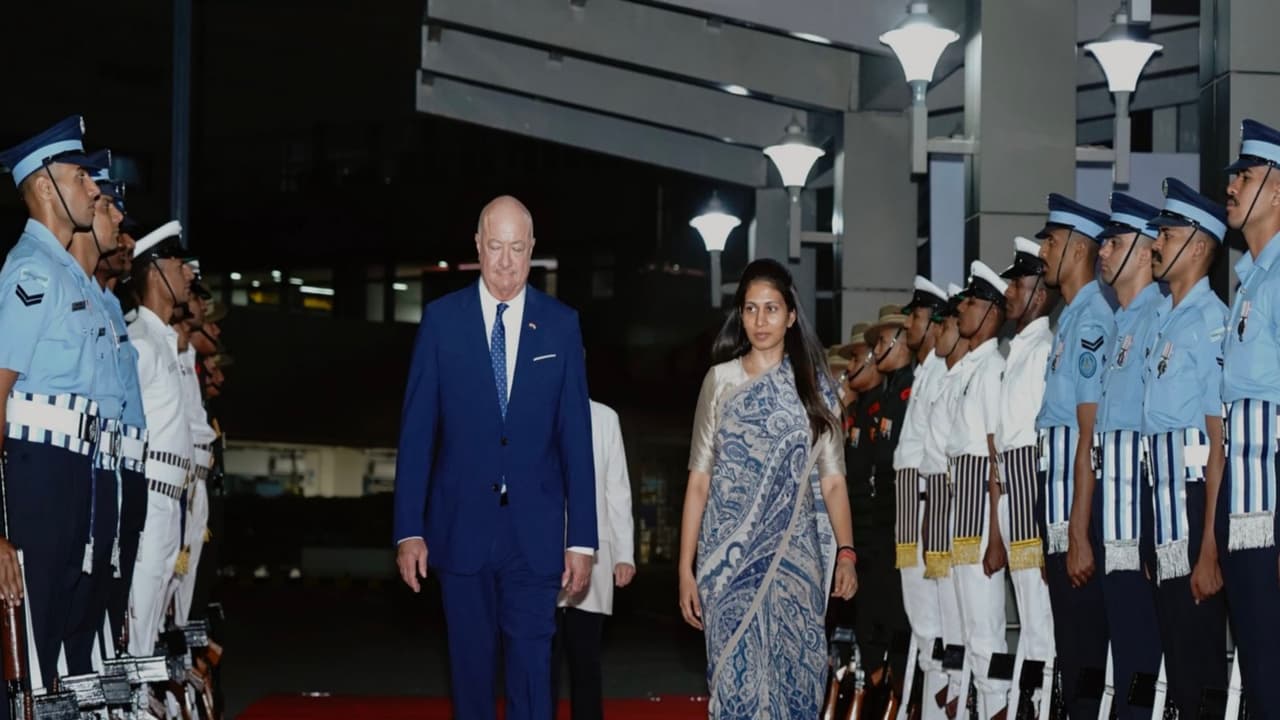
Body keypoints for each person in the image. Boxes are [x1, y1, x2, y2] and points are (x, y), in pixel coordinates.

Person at [393, 196, 596, 720]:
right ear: (478, 247)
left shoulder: (561, 325)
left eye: (517, 249)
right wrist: (408, 529)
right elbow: (417, 433)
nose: (506, 262)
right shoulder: (441, 322)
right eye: (496, 247)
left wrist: (582, 539)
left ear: (533, 251)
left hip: (536, 533)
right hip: (460, 527)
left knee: (533, 672)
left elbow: (576, 437)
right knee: (471, 673)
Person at [678, 258, 857, 719]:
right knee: (733, 685)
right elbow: (699, 479)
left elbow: (833, 481)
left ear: (791, 316)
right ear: (740, 315)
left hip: (798, 561)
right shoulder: (720, 381)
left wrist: (846, 552)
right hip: (725, 563)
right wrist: (685, 568)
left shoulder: (816, 389)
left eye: (771, 309)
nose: (760, 320)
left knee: (798, 681)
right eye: (751, 309)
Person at [0, 116, 111, 694]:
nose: (93, 188)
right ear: (44, 186)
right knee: (27, 650)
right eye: (80, 176)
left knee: (55, 646)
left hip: (72, 469)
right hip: (36, 469)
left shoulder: (67, 275)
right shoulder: (31, 272)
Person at [1142, 178, 1229, 714]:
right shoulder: (1166, 321)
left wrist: (1209, 548)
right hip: (1164, 511)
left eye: (1166, 235)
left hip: (1196, 507)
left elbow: (1219, 445)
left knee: (1199, 666)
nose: (1155, 244)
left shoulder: (1211, 322)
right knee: (1176, 664)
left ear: (1198, 247)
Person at [1033, 194, 1112, 716]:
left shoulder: (1092, 320)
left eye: (1052, 242)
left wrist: (1079, 534)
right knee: (1072, 651)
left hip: (1075, 513)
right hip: (1059, 510)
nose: (1043, 252)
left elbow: (1088, 434)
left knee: (1085, 657)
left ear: (1079, 250)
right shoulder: (1070, 318)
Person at [1091, 193, 1164, 717]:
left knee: (1143, 649)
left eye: (1114, 243)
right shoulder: (1120, 322)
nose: (1102, 251)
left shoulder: (1159, 318)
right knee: (1123, 647)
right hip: (1112, 507)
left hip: (1140, 506)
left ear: (1144, 251)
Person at [1219, 117, 1280, 714]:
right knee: (1258, 666)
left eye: (1246, 174)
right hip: (1241, 503)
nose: (1231, 185)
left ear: (1278, 190)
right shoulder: (1248, 284)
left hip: (1271, 502)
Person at [64, 151, 128, 674]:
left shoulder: (103, 302)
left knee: (97, 606)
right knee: (59, 616)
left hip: (107, 464)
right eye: (108, 205)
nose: (119, 220)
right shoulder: (42, 276)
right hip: (64, 461)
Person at [994, 237, 1058, 715]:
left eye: (1017, 283)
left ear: (1039, 291)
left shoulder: (1042, 351)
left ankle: (1044, 703)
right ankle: (1031, 702)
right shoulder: (1018, 349)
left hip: (1031, 489)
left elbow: (1040, 441)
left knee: (1040, 620)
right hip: (1011, 490)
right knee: (1030, 614)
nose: (1009, 292)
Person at [126, 220, 196, 657]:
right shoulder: (139, 341)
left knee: (157, 615)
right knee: (139, 613)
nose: (188, 273)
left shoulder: (164, 340)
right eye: (178, 263)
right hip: (150, 495)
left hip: (172, 499)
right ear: (154, 272)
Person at [946, 262, 1010, 719]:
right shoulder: (971, 368)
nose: (962, 310)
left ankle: (999, 707)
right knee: (969, 632)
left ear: (991, 311)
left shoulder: (992, 369)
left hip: (981, 516)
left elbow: (994, 455)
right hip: (961, 508)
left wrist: (995, 535)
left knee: (987, 632)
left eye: (970, 302)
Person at [552, 398, 635, 720]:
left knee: (585, 658)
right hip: (538, 551)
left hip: (594, 552)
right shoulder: (532, 406)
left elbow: (618, 488)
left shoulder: (605, 417)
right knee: (538, 660)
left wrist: (624, 553)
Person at [891, 276, 949, 720]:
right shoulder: (924, 373)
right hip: (912, 502)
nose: (909, 324)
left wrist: (931, 516)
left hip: (928, 502)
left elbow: (936, 453)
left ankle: (941, 708)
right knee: (922, 621)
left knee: (935, 622)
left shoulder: (941, 373)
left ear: (933, 325)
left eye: (916, 317)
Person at [918, 283, 970, 718]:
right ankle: (948, 695)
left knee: (971, 629)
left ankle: (968, 697)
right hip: (939, 509)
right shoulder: (945, 376)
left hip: (964, 511)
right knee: (940, 625)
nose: (937, 332)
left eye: (945, 324)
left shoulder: (977, 374)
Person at [857, 305, 914, 703]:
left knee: (897, 613)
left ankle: (899, 692)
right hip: (879, 518)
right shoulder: (890, 393)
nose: (877, 350)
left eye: (881, 341)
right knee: (877, 610)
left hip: (900, 515)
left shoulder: (908, 389)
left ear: (900, 339)